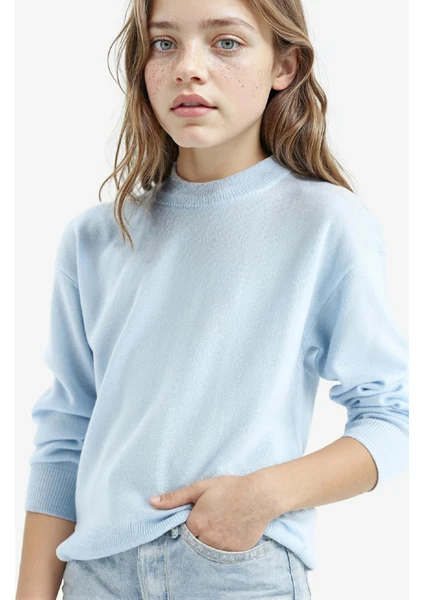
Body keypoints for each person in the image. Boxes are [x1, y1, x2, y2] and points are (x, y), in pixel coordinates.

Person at [16, 0, 409, 598]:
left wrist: (260, 497)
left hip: (234, 568)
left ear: (285, 66)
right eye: (164, 43)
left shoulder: (325, 224)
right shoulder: (96, 239)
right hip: (95, 574)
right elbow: (66, 433)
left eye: (226, 42)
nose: (187, 68)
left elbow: (392, 418)